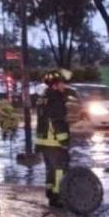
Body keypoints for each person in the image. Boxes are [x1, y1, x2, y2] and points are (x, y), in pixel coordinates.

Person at [35, 70, 72, 207]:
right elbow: (57, 122)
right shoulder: (56, 98)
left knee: (50, 169)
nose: (64, 86)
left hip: (43, 141)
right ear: (55, 85)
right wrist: (64, 141)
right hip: (54, 141)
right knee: (59, 169)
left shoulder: (42, 98)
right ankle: (58, 197)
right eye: (62, 83)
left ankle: (51, 194)